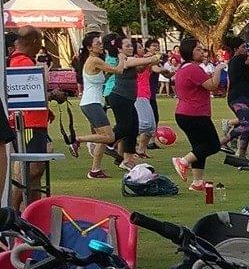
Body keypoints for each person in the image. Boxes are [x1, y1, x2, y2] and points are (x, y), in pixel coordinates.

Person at [169, 33, 223, 196]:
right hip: (195, 114)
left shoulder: (185, 68)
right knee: (213, 145)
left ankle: (197, 182)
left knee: (199, 148)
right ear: (190, 52)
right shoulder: (193, 69)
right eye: (198, 49)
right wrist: (218, 69)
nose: (202, 52)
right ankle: (183, 161)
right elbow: (212, 86)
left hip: (186, 113)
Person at [6, 29, 53, 199]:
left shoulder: (20, 60)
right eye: (40, 41)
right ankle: (15, 208)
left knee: (35, 173)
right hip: (29, 124)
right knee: (32, 169)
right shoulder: (22, 62)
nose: (41, 46)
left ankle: (33, 210)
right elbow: (28, 95)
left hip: (32, 122)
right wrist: (52, 95)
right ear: (34, 41)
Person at [107, 34, 158, 170]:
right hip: (119, 97)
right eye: (127, 46)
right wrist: (153, 57)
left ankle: (127, 160)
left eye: (131, 46)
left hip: (129, 99)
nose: (131, 48)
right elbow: (143, 61)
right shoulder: (124, 59)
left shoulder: (129, 59)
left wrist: (148, 60)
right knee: (124, 127)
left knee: (133, 128)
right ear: (119, 49)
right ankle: (104, 142)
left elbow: (140, 67)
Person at [75, 31, 116, 179]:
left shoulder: (93, 61)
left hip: (94, 102)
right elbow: (118, 70)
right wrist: (122, 57)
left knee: (102, 138)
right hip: (91, 103)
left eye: (101, 43)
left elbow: (105, 76)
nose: (101, 46)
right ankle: (77, 140)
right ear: (89, 47)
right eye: (97, 43)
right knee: (109, 137)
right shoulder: (94, 60)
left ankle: (95, 170)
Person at [221, 34, 249, 159]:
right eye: (243, 47)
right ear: (236, 49)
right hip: (237, 98)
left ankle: (241, 153)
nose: (246, 49)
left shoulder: (240, 61)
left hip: (242, 97)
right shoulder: (239, 59)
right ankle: (222, 142)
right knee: (246, 125)